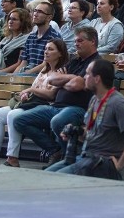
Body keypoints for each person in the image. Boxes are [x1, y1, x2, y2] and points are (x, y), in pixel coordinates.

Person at [13, 27, 99, 169]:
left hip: (77, 109)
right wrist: (71, 78)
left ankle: (68, 157)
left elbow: (78, 85)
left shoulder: (95, 62)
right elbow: (52, 79)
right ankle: (55, 150)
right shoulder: (74, 61)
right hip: (55, 106)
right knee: (19, 120)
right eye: (75, 40)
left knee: (57, 121)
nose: (76, 43)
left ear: (92, 42)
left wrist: (66, 80)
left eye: (80, 40)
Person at [45, 58, 124, 180]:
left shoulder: (117, 103)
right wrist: (77, 131)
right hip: (87, 157)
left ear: (97, 79)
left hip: (102, 164)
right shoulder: (95, 100)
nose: (84, 77)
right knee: (45, 176)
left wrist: (120, 165)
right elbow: (92, 133)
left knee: (54, 180)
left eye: (87, 74)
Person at [0, 39, 69, 167]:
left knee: (13, 115)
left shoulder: (60, 72)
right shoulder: (44, 70)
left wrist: (31, 90)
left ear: (60, 53)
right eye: (46, 49)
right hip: (31, 103)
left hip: (45, 105)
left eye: (50, 49)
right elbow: (33, 91)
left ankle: (12, 157)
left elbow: (51, 94)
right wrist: (26, 94)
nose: (46, 52)